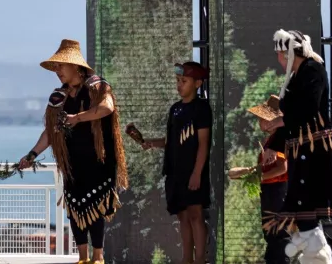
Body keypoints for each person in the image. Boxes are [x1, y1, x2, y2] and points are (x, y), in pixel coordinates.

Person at [18, 39, 129, 264]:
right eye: (56, 66)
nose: (57, 70)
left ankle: (98, 256)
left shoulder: (98, 86)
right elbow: (50, 132)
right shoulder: (59, 96)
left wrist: (78, 118)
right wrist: (32, 154)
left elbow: (107, 107)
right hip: (73, 162)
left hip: (99, 160)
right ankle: (82, 257)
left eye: (61, 65)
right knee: (75, 206)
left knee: (95, 206)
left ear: (76, 66)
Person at [259, 30, 332, 264]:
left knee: (304, 203)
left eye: (279, 54)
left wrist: (278, 121)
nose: (278, 59)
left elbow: (307, 109)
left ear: (288, 53)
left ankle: (309, 242)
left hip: (316, 149)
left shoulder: (313, 70)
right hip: (302, 149)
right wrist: (272, 145)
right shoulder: (297, 77)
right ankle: (309, 242)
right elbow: (289, 118)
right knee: (302, 207)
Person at [141, 62, 212, 264]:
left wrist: (197, 173)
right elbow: (171, 142)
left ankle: (200, 260)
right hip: (174, 173)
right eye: (178, 81)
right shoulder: (175, 109)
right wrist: (152, 143)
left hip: (193, 171)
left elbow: (203, 143)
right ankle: (186, 259)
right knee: (182, 216)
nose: (179, 85)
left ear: (197, 83)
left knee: (196, 214)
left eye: (184, 81)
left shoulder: (202, 109)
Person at [230, 131, 290, 264]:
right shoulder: (270, 140)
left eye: (263, 119)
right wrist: (251, 172)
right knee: (270, 232)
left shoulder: (278, 140)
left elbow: (282, 168)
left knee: (279, 233)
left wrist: (259, 177)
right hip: (269, 190)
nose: (261, 122)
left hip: (278, 190)